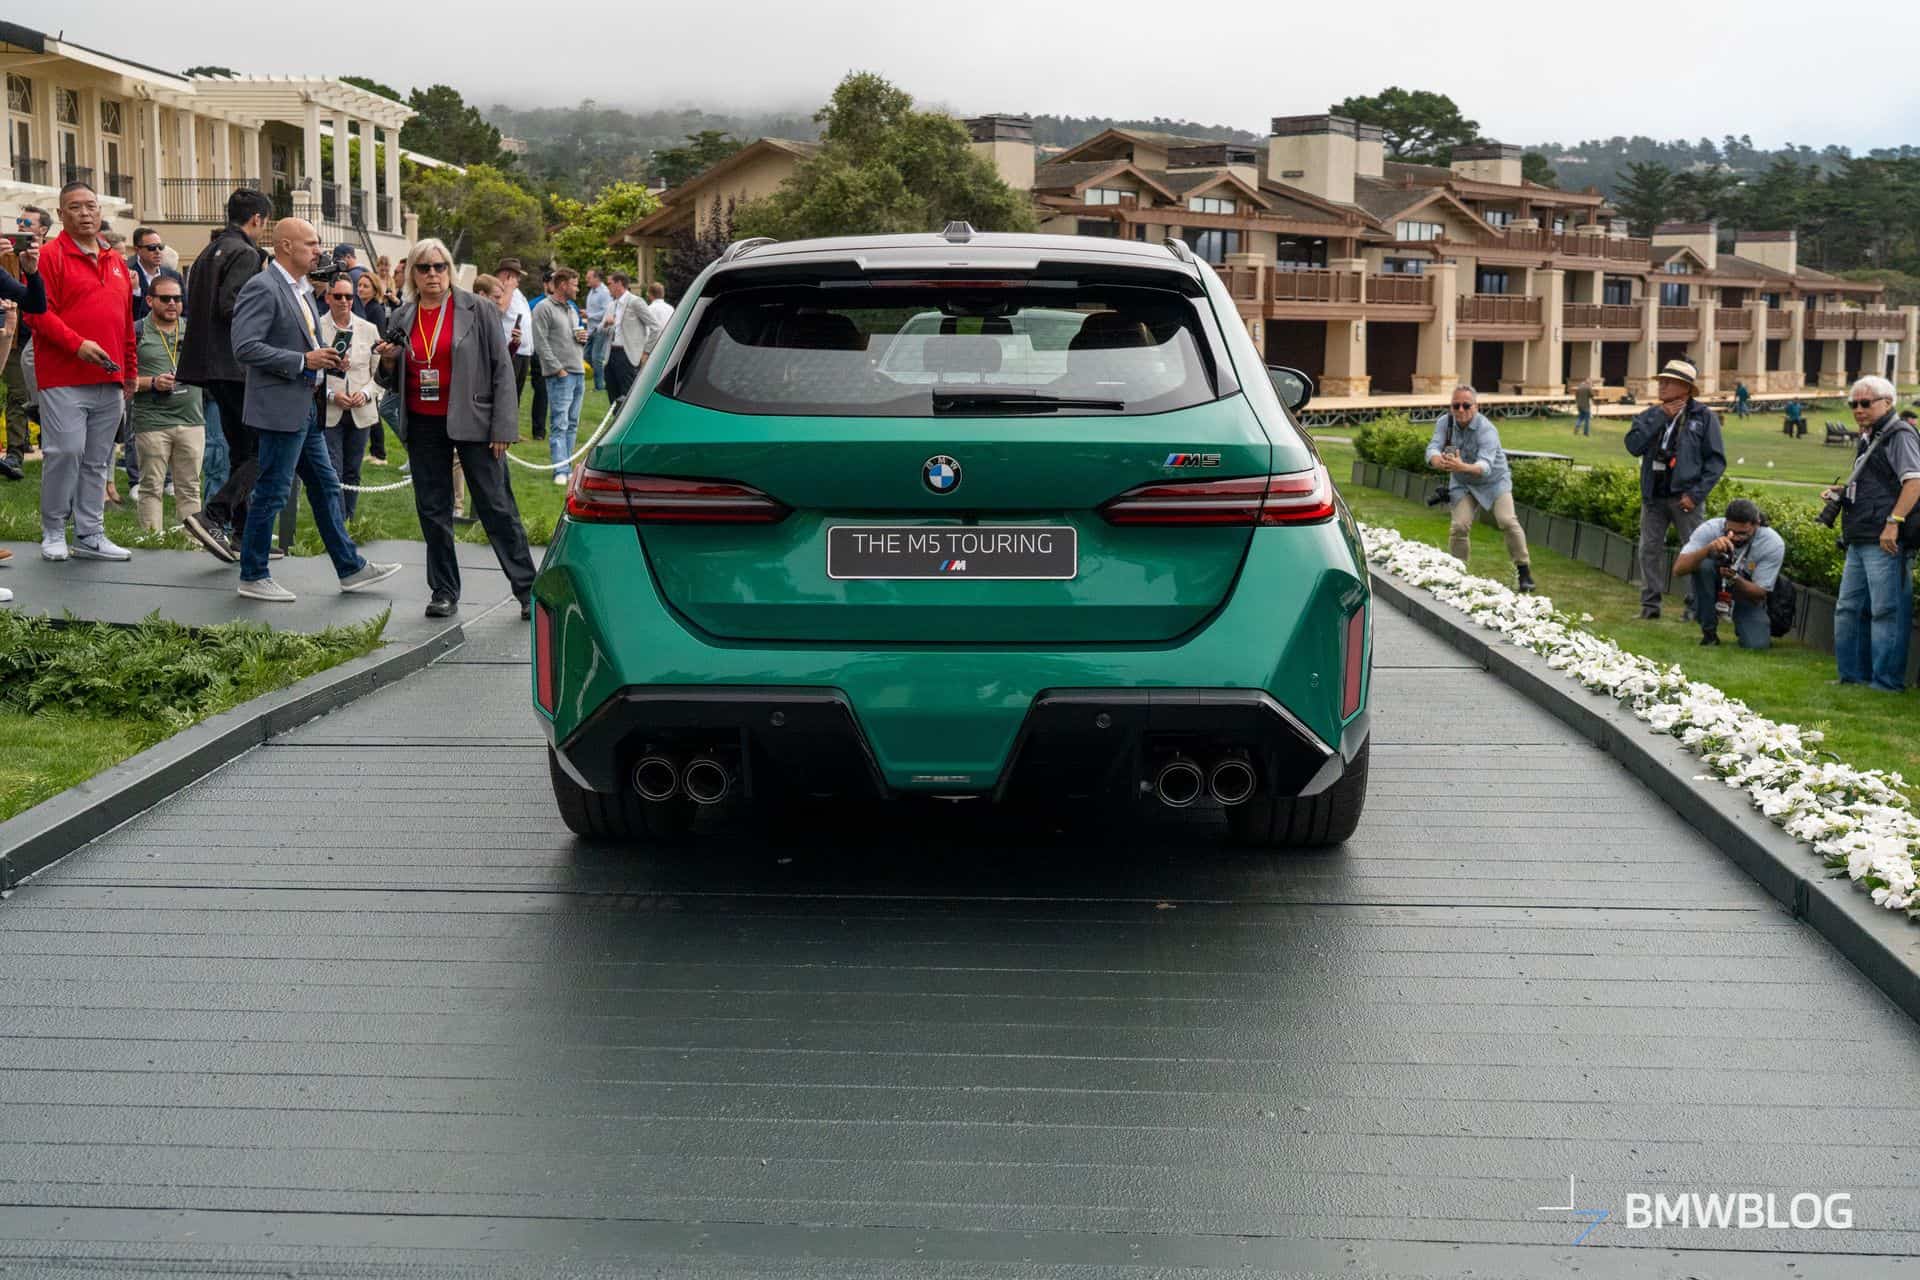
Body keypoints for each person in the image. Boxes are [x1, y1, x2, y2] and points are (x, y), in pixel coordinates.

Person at [227, 216, 400, 603]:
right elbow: (244, 346)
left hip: (306, 407)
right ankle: (253, 574)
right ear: (286, 246)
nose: (319, 250)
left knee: (325, 486)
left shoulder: (303, 290)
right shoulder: (263, 287)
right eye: (311, 244)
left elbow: (303, 346)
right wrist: (303, 360)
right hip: (279, 408)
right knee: (273, 491)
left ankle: (350, 568)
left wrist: (327, 362)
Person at [374, 238, 536, 620]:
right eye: (424, 268)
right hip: (423, 423)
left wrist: (503, 426)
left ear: (449, 269)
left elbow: (502, 369)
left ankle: (529, 590)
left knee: (497, 506)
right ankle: (444, 591)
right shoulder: (403, 316)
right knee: (433, 510)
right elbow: (387, 379)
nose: (433, 274)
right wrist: (389, 362)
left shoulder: (478, 308)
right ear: (413, 274)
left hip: (475, 422)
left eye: (440, 266)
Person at [32, 181, 137, 563]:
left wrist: (130, 371)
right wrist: (77, 344)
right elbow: (36, 313)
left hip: (110, 378)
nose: (85, 213)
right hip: (63, 376)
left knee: (98, 459)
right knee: (65, 452)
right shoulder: (49, 256)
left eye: (91, 205)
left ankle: (90, 533)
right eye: (75, 207)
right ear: (61, 215)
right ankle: (53, 530)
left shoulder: (116, 261)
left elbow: (125, 321)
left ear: (100, 210)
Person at [178, 187, 272, 561]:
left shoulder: (208, 251)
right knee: (263, 450)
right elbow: (233, 305)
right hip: (234, 365)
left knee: (241, 451)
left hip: (207, 363)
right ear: (257, 219)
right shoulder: (245, 253)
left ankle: (242, 535)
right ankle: (215, 514)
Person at [1823, 376, 1920, 691]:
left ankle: (1886, 682)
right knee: (1848, 609)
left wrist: (1894, 521)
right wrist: (1842, 492)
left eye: (1866, 403)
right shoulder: (1870, 436)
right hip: (1860, 535)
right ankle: (1851, 677)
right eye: (1853, 403)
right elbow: (1877, 483)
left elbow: (1915, 482)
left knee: (1886, 612)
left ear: (1888, 403)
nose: (1858, 409)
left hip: (1885, 538)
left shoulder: (1899, 434)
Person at [1625, 358, 1726, 619]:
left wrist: (1695, 495)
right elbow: (1633, 445)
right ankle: (1650, 607)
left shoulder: (1704, 417)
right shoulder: (1651, 414)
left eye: (1669, 382)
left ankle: (1694, 607)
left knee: (1693, 552)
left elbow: (1716, 462)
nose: (1662, 386)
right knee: (1648, 550)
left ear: (1686, 388)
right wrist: (1660, 417)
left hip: (1686, 498)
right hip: (1654, 496)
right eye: (1661, 381)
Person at [1425, 385, 1534, 593]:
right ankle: (1457, 572)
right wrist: (1437, 460)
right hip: (1462, 483)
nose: (1460, 410)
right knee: (1459, 526)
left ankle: (1524, 571)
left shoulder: (1487, 429)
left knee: (1507, 520)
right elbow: (1433, 447)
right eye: (1456, 405)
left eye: (1466, 405)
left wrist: (1461, 466)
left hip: (1494, 482)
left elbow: (1485, 466)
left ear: (1476, 407)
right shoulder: (1445, 423)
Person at [128, 269, 204, 533]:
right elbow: (121, 378)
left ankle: (194, 540)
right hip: (152, 421)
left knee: (190, 487)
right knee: (151, 486)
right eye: (165, 298)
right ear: (150, 300)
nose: (173, 303)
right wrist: (152, 383)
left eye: (178, 298)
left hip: (192, 419)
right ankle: (153, 543)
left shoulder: (194, 331)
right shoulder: (136, 331)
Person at [1672, 498, 1784, 649]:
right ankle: (1709, 632)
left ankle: (1745, 622)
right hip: (1714, 582)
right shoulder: (1710, 529)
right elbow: (1678, 570)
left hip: (1745, 592)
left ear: (1756, 524)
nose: (1736, 537)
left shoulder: (1772, 543)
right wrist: (1708, 550)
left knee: (1757, 644)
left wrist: (1735, 578)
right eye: (1731, 531)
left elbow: (1760, 593)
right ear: (1725, 522)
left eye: (1742, 533)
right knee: (1704, 565)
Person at [319, 271, 381, 519]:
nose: (344, 301)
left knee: (353, 471)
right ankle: (336, 524)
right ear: (328, 298)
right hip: (329, 410)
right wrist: (331, 395)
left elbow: (381, 375)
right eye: (338, 296)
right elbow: (309, 375)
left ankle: (348, 522)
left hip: (360, 411)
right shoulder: (316, 328)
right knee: (332, 471)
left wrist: (365, 394)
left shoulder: (369, 329)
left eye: (349, 296)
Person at [0, 207, 48, 481]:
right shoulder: (5, 257)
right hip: (15, 338)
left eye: (26, 222)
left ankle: (36, 446)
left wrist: (32, 272)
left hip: (35, 336)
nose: (19, 226)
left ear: (42, 230)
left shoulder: (47, 255)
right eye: (17, 221)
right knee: (18, 395)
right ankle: (15, 452)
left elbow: (36, 303)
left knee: (39, 396)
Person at [534, 266, 586, 484]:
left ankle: (568, 467)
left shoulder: (572, 309)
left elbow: (572, 337)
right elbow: (540, 342)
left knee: (572, 423)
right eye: (574, 284)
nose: (577, 289)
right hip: (560, 375)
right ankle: (560, 471)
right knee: (560, 423)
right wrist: (558, 369)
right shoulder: (543, 308)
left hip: (578, 372)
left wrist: (583, 338)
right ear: (563, 285)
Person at [604, 271, 663, 402]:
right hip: (610, 355)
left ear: (619, 283)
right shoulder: (611, 305)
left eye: (609, 283)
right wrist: (606, 325)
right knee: (612, 395)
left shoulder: (635, 302)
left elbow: (655, 327)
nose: (607, 287)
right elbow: (600, 330)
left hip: (628, 355)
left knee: (628, 397)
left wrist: (646, 351)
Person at [493, 257, 535, 411]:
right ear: (507, 275)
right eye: (517, 276)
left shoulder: (519, 294)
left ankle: (511, 424)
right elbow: (499, 310)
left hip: (523, 351)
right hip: (509, 351)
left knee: (516, 395)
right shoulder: (498, 291)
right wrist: (509, 289)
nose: (519, 280)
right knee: (506, 395)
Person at [128, 227, 166, 323]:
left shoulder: (174, 276)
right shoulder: (129, 276)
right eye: (152, 248)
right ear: (137, 250)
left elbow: (185, 313)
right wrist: (135, 291)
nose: (158, 251)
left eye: (160, 247)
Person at [582, 267, 612, 391]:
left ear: (597, 278)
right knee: (586, 356)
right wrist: (587, 313)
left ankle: (599, 387)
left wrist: (589, 315)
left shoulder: (604, 292)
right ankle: (605, 378)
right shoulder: (592, 291)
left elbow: (606, 312)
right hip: (591, 330)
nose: (586, 279)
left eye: (589, 277)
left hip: (600, 329)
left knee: (596, 358)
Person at [642, 281, 673, 361]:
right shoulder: (671, 308)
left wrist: (646, 351)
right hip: (669, 347)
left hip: (653, 350)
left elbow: (647, 332)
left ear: (650, 294)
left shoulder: (649, 309)